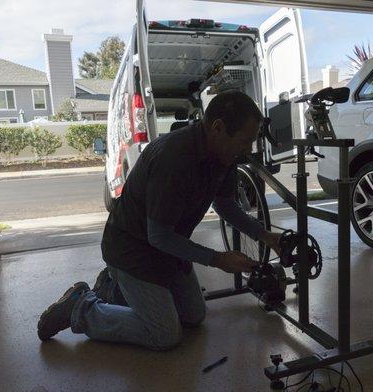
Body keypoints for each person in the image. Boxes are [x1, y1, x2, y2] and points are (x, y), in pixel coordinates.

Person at [37, 91, 282, 350]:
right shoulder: (174, 159)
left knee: (194, 316)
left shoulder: (225, 154)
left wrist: (263, 235)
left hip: (167, 249)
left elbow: (224, 204)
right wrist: (218, 260)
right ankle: (82, 308)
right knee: (164, 333)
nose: (248, 150)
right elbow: (159, 236)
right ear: (218, 128)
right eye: (245, 142)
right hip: (131, 250)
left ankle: (112, 290)